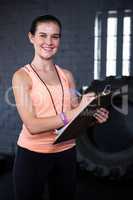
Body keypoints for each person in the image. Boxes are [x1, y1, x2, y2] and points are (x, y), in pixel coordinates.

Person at [12, 15, 109, 200]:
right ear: (31, 37)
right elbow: (32, 126)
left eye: (55, 36)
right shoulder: (21, 77)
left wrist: (92, 117)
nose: (49, 42)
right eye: (43, 35)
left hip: (66, 153)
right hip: (32, 155)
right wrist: (76, 111)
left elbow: (75, 120)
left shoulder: (67, 76)